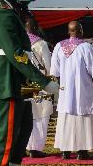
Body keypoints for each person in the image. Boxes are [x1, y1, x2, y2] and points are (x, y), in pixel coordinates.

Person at [0, 0, 59, 166]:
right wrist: (43, 82)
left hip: (17, 84)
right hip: (7, 82)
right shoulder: (3, 14)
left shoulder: (9, 10)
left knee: (22, 132)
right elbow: (16, 54)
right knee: (6, 141)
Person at [50, 21, 93, 160]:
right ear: (81, 31)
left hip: (65, 92)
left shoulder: (58, 47)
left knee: (65, 119)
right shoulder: (86, 47)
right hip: (82, 91)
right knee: (82, 118)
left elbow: (55, 71)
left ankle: (65, 151)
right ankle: (81, 152)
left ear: (68, 31)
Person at [25, 18, 53, 158]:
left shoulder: (18, 42)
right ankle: (35, 149)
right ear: (36, 28)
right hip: (41, 85)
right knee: (42, 117)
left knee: (27, 116)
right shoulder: (41, 44)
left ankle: (26, 146)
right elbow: (49, 67)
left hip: (24, 85)